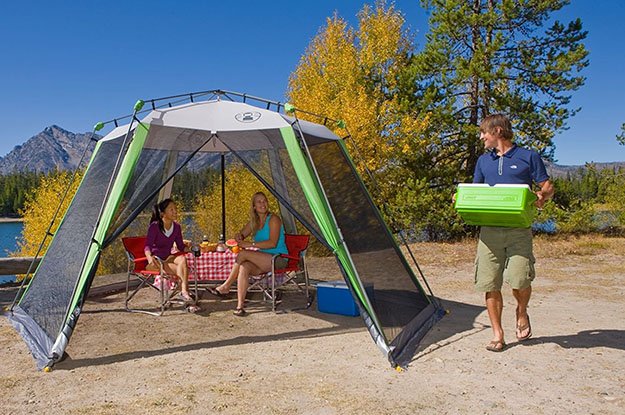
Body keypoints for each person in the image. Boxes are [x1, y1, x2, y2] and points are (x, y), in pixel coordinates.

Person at [473, 114, 554, 352]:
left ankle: (522, 310)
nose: (481, 137)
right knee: (490, 282)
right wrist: (461, 197)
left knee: (520, 279)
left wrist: (542, 196)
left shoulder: (528, 156)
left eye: (483, 132)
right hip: (489, 232)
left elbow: (547, 186)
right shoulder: (482, 161)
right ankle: (498, 334)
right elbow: (475, 191)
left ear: (497, 131)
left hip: (519, 230)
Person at [209, 192, 288, 316]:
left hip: (278, 259)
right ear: (254, 207)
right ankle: (240, 306)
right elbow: (241, 234)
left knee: (243, 254)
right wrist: (239, 236)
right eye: (259, 202)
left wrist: (251, 244)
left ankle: (226, 286)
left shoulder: (274, 219)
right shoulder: (254, 222)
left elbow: (272, 243)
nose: (263, 204)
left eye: (264, 201)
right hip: (263, 259)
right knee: (244, 266)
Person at [144, 198, 193, 302]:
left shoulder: (177, 227)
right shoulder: (155, 226)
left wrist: (190, 249)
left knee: (182, 260)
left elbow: (180, 246)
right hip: (156, 261)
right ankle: (184, 292)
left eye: (175, 208)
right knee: (185, 270)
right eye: (171, 209)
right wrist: (149, 258)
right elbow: (147, 246)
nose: (175, 211)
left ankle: (183, 292)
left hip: (168, 257)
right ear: (163, 213)